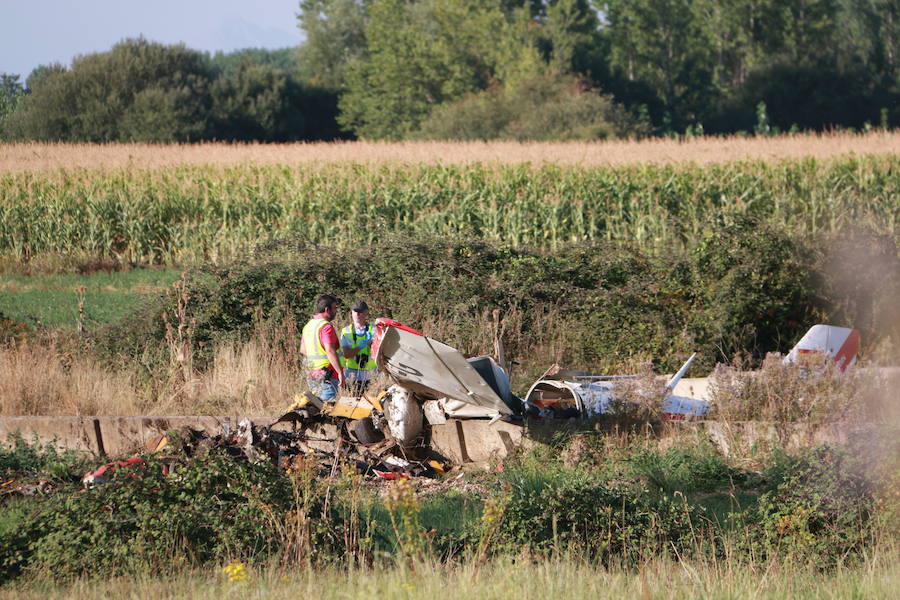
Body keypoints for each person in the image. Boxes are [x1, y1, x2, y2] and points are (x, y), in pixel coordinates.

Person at [299, 293, 344, 402]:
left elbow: (303, 350)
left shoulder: (308, 326)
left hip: (312, 374)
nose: (336, 311)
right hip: (327, 375)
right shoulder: (326, 327)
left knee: (317, 406)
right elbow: (330, 350)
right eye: (334, 308)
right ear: (327, 309)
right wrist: (340, 372)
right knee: (327, 408)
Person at [340, 300, 378, 395]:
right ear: (351, 312)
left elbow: (379, 351)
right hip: (352, 376)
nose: (357, 314)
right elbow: (347, 354)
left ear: (366, 313)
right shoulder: (346, 331)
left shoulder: (373, 330)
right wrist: (362, 344)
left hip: (371, 376)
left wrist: (371, 343)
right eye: (355, 311)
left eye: (360, 312)